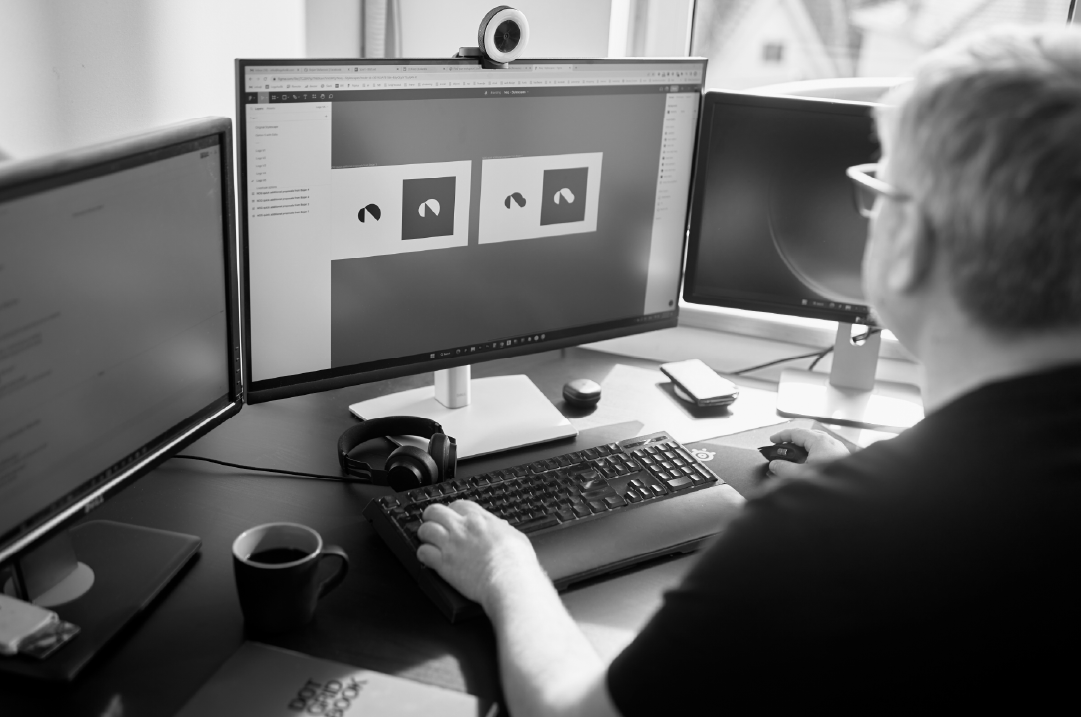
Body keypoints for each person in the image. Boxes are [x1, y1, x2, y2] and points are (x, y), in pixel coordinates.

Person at [415, 24, 1081, 715]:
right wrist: (870, 481)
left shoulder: (815, 540)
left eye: (878, 186)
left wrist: (505, 569)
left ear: (911, 240)